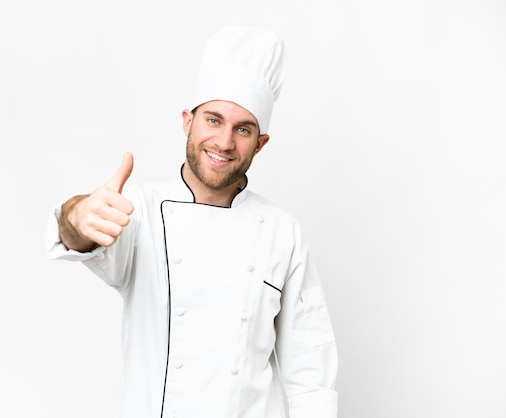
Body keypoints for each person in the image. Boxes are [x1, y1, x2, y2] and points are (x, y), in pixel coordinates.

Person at [45, 25, 338, 418]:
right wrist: (76, 215)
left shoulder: (281, 233)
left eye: (243, 129)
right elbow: (81, 236)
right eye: (213, 121)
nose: (224, 142)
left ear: (260, 143)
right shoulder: (138, 210)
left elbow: (311, 375)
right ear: (188, 121)